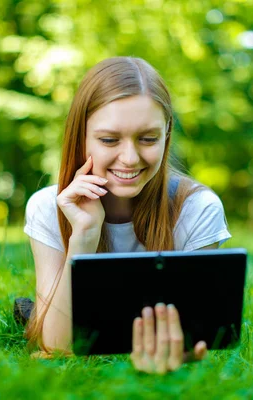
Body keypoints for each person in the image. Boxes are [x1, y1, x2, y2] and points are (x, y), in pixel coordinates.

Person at [21, 56, 231, 374]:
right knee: (46, 317)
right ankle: (38, 310)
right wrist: (83, 236)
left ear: (167, 132)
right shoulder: (47, 206)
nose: (130, 159)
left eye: (148, 139)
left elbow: (194, 335)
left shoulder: (197, 209)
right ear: (81, 136)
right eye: (109, 140)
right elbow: (56, 347)